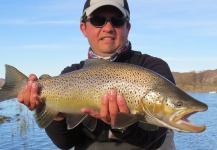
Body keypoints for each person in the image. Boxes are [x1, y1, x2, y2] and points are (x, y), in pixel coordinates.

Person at [18, 0, 176, 149]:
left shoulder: (153, 69)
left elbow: (158, 137)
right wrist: (58, 115)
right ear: (84, 28)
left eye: (117, 20)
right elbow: (64, 143)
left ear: (128, 27)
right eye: (98, 19)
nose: (108, 28)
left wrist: (124, 124)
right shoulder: (70, 74)